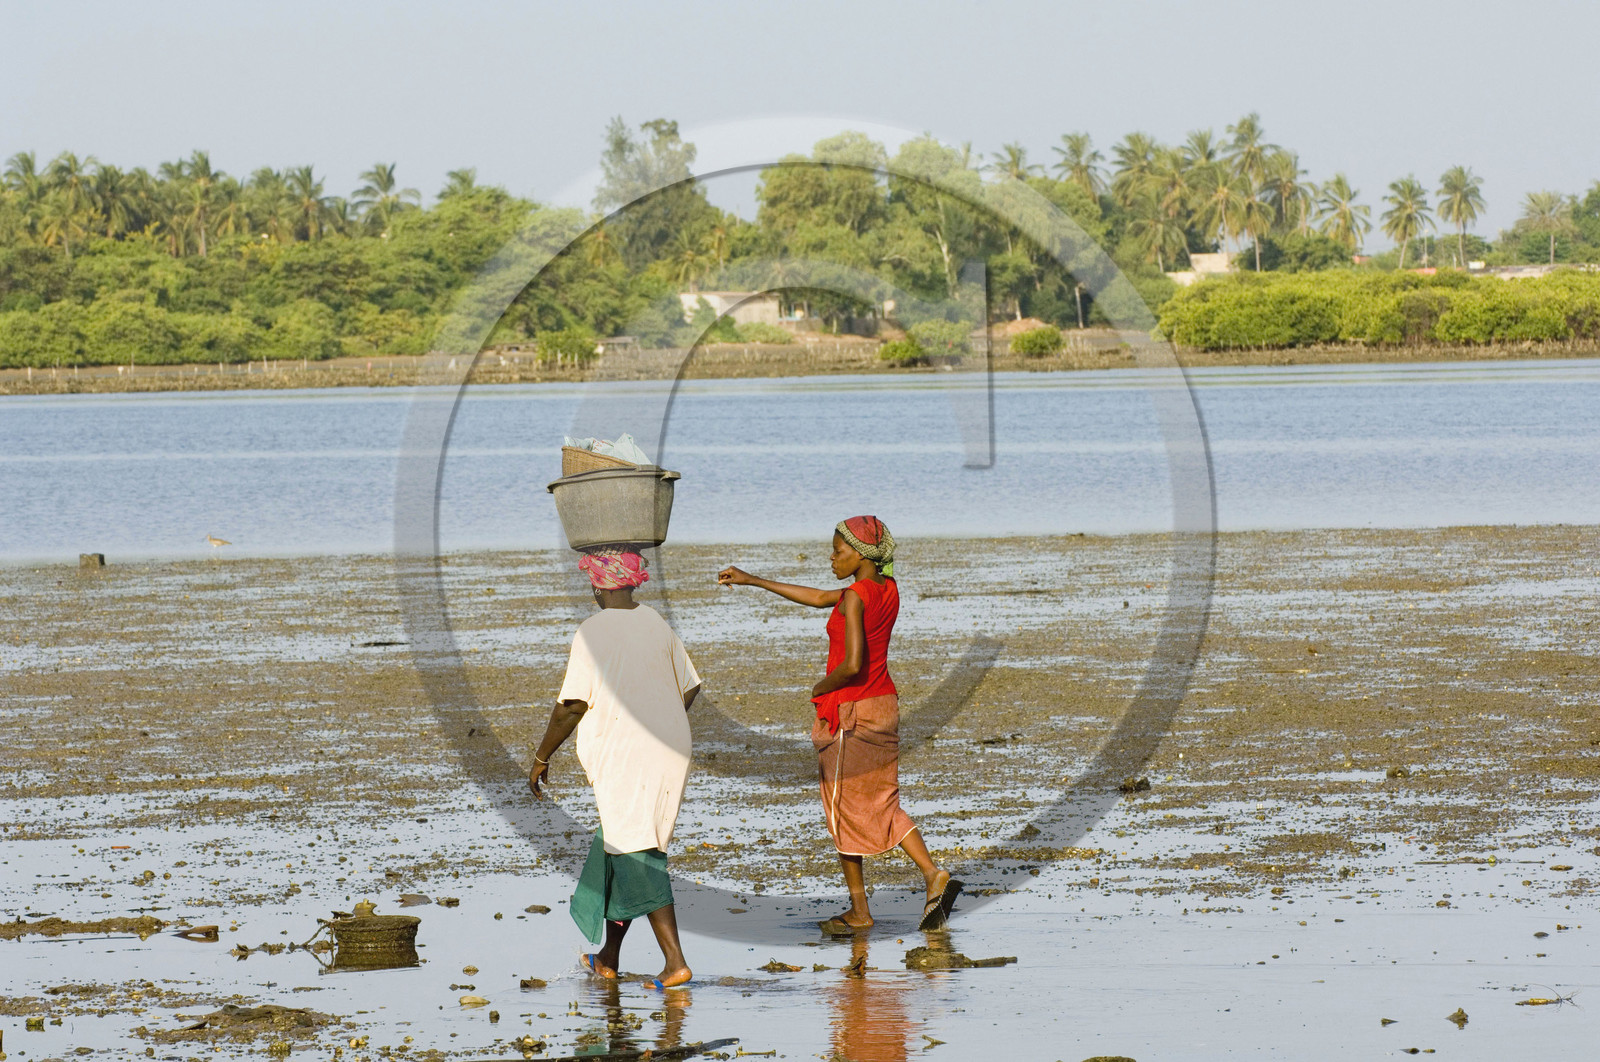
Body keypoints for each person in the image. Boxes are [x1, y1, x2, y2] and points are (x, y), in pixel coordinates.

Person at [718, 516, 961, 933]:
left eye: (838, 550)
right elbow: (817, 598)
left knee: (839, 810)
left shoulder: (854, 598)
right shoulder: (886, 588)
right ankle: (932, 875)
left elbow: (851, 666)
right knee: (884, 801)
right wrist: (751, 580)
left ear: (861, 553)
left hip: (853, 712)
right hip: (884, 705)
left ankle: (863, 911)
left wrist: (819, 687)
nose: (831, 557)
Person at [529, 550, 701, 988]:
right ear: (632, 582)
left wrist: (541, 758)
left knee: (637, 851)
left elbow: (570, 708)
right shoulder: (656, 622)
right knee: (623, 840)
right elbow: (689, 686)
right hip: (669, 747)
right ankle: (608, 956)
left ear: (597, 585)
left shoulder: (591, 631)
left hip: (628, 753)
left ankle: (675, 962)